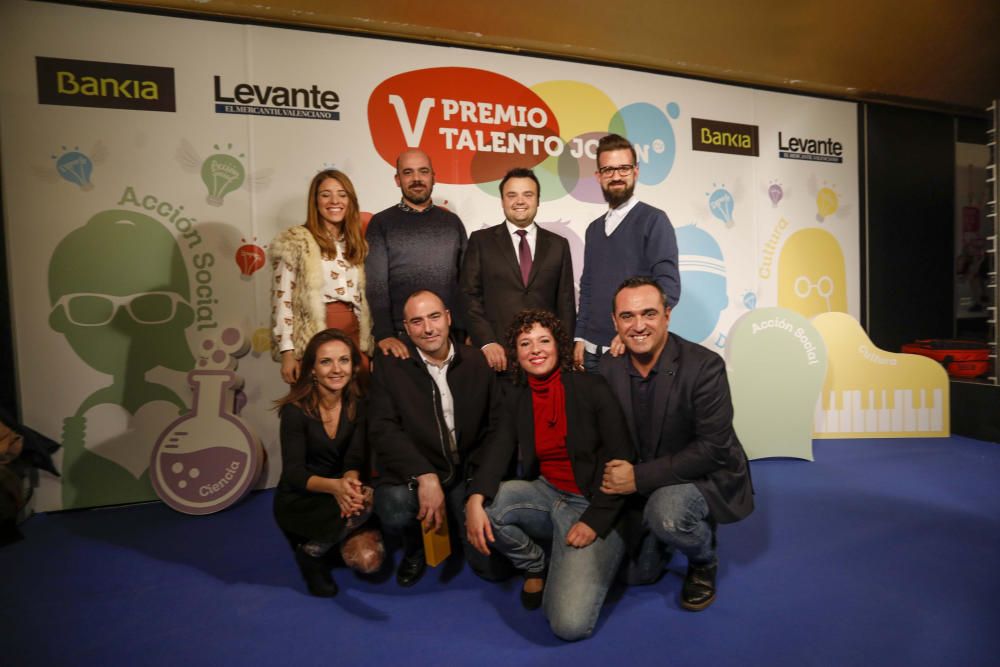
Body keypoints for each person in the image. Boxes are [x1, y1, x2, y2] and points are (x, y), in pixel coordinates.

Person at [465, 310, 632, 641]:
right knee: (487, 509)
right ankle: (535, 563)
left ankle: (591, 554)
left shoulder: (591, 387)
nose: (535, 349)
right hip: (548, 492)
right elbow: (498, 449)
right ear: (516, 353)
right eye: (525, 343)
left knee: (568, 624)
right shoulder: (517, 396)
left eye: (544, 340)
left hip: (594, 503)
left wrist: (594, 521)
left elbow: (622, 461)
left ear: (559, 346)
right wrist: (473, 498)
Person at [598, 276, 753, 611]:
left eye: (649, 314)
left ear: (667, 315)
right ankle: (660, 530)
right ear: (614, 322)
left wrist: (637, 478)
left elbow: (713, 449)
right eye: (627, 317)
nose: (639, 325)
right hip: (648, 476)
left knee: (667, 516)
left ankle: (703, 559)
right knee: (637, 576)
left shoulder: (705, 366)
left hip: (702, 474)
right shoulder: (609, 366)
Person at [369, 290, 513, 586]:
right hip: (419, 470)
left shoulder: (476, 362)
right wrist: (424, 475)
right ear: (406, 328)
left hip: (464, 473)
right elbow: (382, 428)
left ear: (448, 318)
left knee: (491, 569)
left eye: (435, 317)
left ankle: (455, 517)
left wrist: (479, 491)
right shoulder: (391, 366)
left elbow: (499, 429)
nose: (429, 328)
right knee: (394, 506)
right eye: (417, 322)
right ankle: (414, 547)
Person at [273, 328, 384, 597]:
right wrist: (336, 488)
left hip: (342, 490)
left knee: (369, 560)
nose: (337, 369)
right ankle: (309, 554)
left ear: (354, 366)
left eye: (344, 360)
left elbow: (354, 456)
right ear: (311, 368)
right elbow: (294, 474)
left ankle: (334, 538)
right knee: (361, 507)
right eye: (326, 361)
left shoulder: (358, 403)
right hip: (303, 498)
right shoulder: (294, 411)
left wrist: (349, 482)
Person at [574, 133, 680, 372]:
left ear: (636, 171)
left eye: (623, 168)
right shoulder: (594, 229)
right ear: (598, 176)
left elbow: (668, 288)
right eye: (608, 170)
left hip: (633, 351)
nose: (616, 176)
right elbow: (588, 286)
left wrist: (630, 331)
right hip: (591, 353)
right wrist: (579, 336)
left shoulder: (654, 220)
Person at [461, 167, 575, 374]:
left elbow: (565, 304)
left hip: (545, 358)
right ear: (503, 200)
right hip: (498, 357)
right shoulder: (481, 241)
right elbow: (469, 297)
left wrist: (563, 351)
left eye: (527, 194)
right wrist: (486, 342)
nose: (519, 201)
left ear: (538, 200)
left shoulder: (559, 245)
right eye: (511, 195)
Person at [270, 169, 373, 384]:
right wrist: (288, 352)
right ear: (315, 201)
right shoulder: (295, 240)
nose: (334, 201)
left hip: (355, 331)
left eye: (342, 194)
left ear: (350, 200)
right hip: (314, 333)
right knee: (317, 403)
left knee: (360, 404)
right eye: (326, 194)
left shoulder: (359, 243)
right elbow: (282, 300)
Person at [365, 149, 468, 360]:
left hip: (451, 337)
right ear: (397, 179)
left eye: (423, 171)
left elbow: (466, 283)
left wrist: (468, 330)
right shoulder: (381, 223)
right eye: (408, 173)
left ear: (433, 177)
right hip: (400, 340)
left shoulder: (452, 223)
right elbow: (376, 284)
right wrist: (384, 334)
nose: (417, 179)